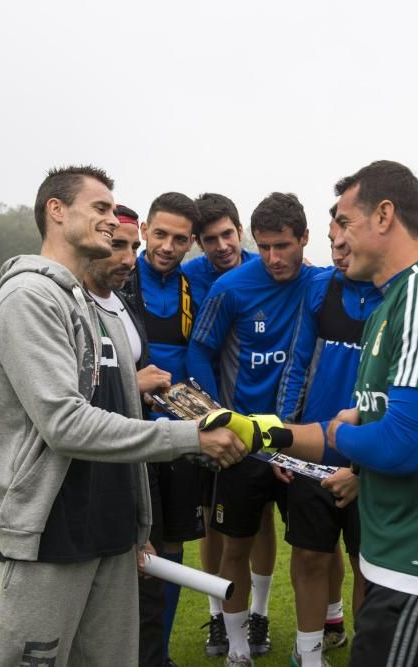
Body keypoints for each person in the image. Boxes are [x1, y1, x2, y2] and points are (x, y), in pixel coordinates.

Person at [212, 160, 418, 666]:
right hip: (401, 558)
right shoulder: (393, 302)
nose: (339, 241)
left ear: (385, 216)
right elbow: (363, 423)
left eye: (346, 223)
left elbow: (399, 443)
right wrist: (264, 433)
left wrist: (340, 437)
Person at [0, 165, 246, 667]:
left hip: (114, 532)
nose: (111, 219)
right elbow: (65, 424)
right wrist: (190, 436)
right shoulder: (28, 297)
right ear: (56, 212)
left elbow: (119, 410)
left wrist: (138, 523)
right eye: (100, 208)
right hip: (51, 533)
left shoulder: (100, 308)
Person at [187, 192, 324, 666]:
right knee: (234, 545)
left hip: (299, 441)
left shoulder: (323, 284)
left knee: (312, 549)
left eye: (283, 246)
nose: (272, 258)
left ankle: (313, 634)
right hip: (243, 444)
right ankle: (238, 648)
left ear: (305, 239)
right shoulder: (231, 287)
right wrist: (214, 415)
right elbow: (199, 350)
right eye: (263, 246)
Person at [274, 212, 383, 667]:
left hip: (373, 460)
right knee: (310, 556)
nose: (338, 252)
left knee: (368, 568)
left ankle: (365, 653)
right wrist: (282, 436)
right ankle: (309, 654)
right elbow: (297, 365)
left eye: (346, 243)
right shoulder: (320, 289)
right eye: (332, 243)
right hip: (315, 454)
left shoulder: (397, 292)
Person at [83, 205, 175, 667]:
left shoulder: (124, 300)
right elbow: (72, 401)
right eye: (117, 245)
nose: (128, 258)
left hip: (140, 458)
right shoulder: (68, 303)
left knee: (150, 578)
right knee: (101, 585)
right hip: (94, 467)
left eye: (132, 247)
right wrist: (132, 385)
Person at [182, 192, 271, 658]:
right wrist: (212, 411)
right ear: (198, 243)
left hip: (261, 425)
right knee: (215, 524)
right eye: (210, 239)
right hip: (204, 417)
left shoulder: (265, 267)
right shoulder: (188, 276)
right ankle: (218, 616)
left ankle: (259, 613)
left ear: (241, 231)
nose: (221, 246)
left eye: (227, 234)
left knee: (261, 523)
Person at [128, 192, 208, 664]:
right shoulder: (120, 276)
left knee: (173, 543)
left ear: (190, 243)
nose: (167, 246)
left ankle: (157, 654)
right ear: (144, 231)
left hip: (180, 437)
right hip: (128, 434)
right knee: (133, 547)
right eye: (160, 234)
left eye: (179, 239)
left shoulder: (193, 286)